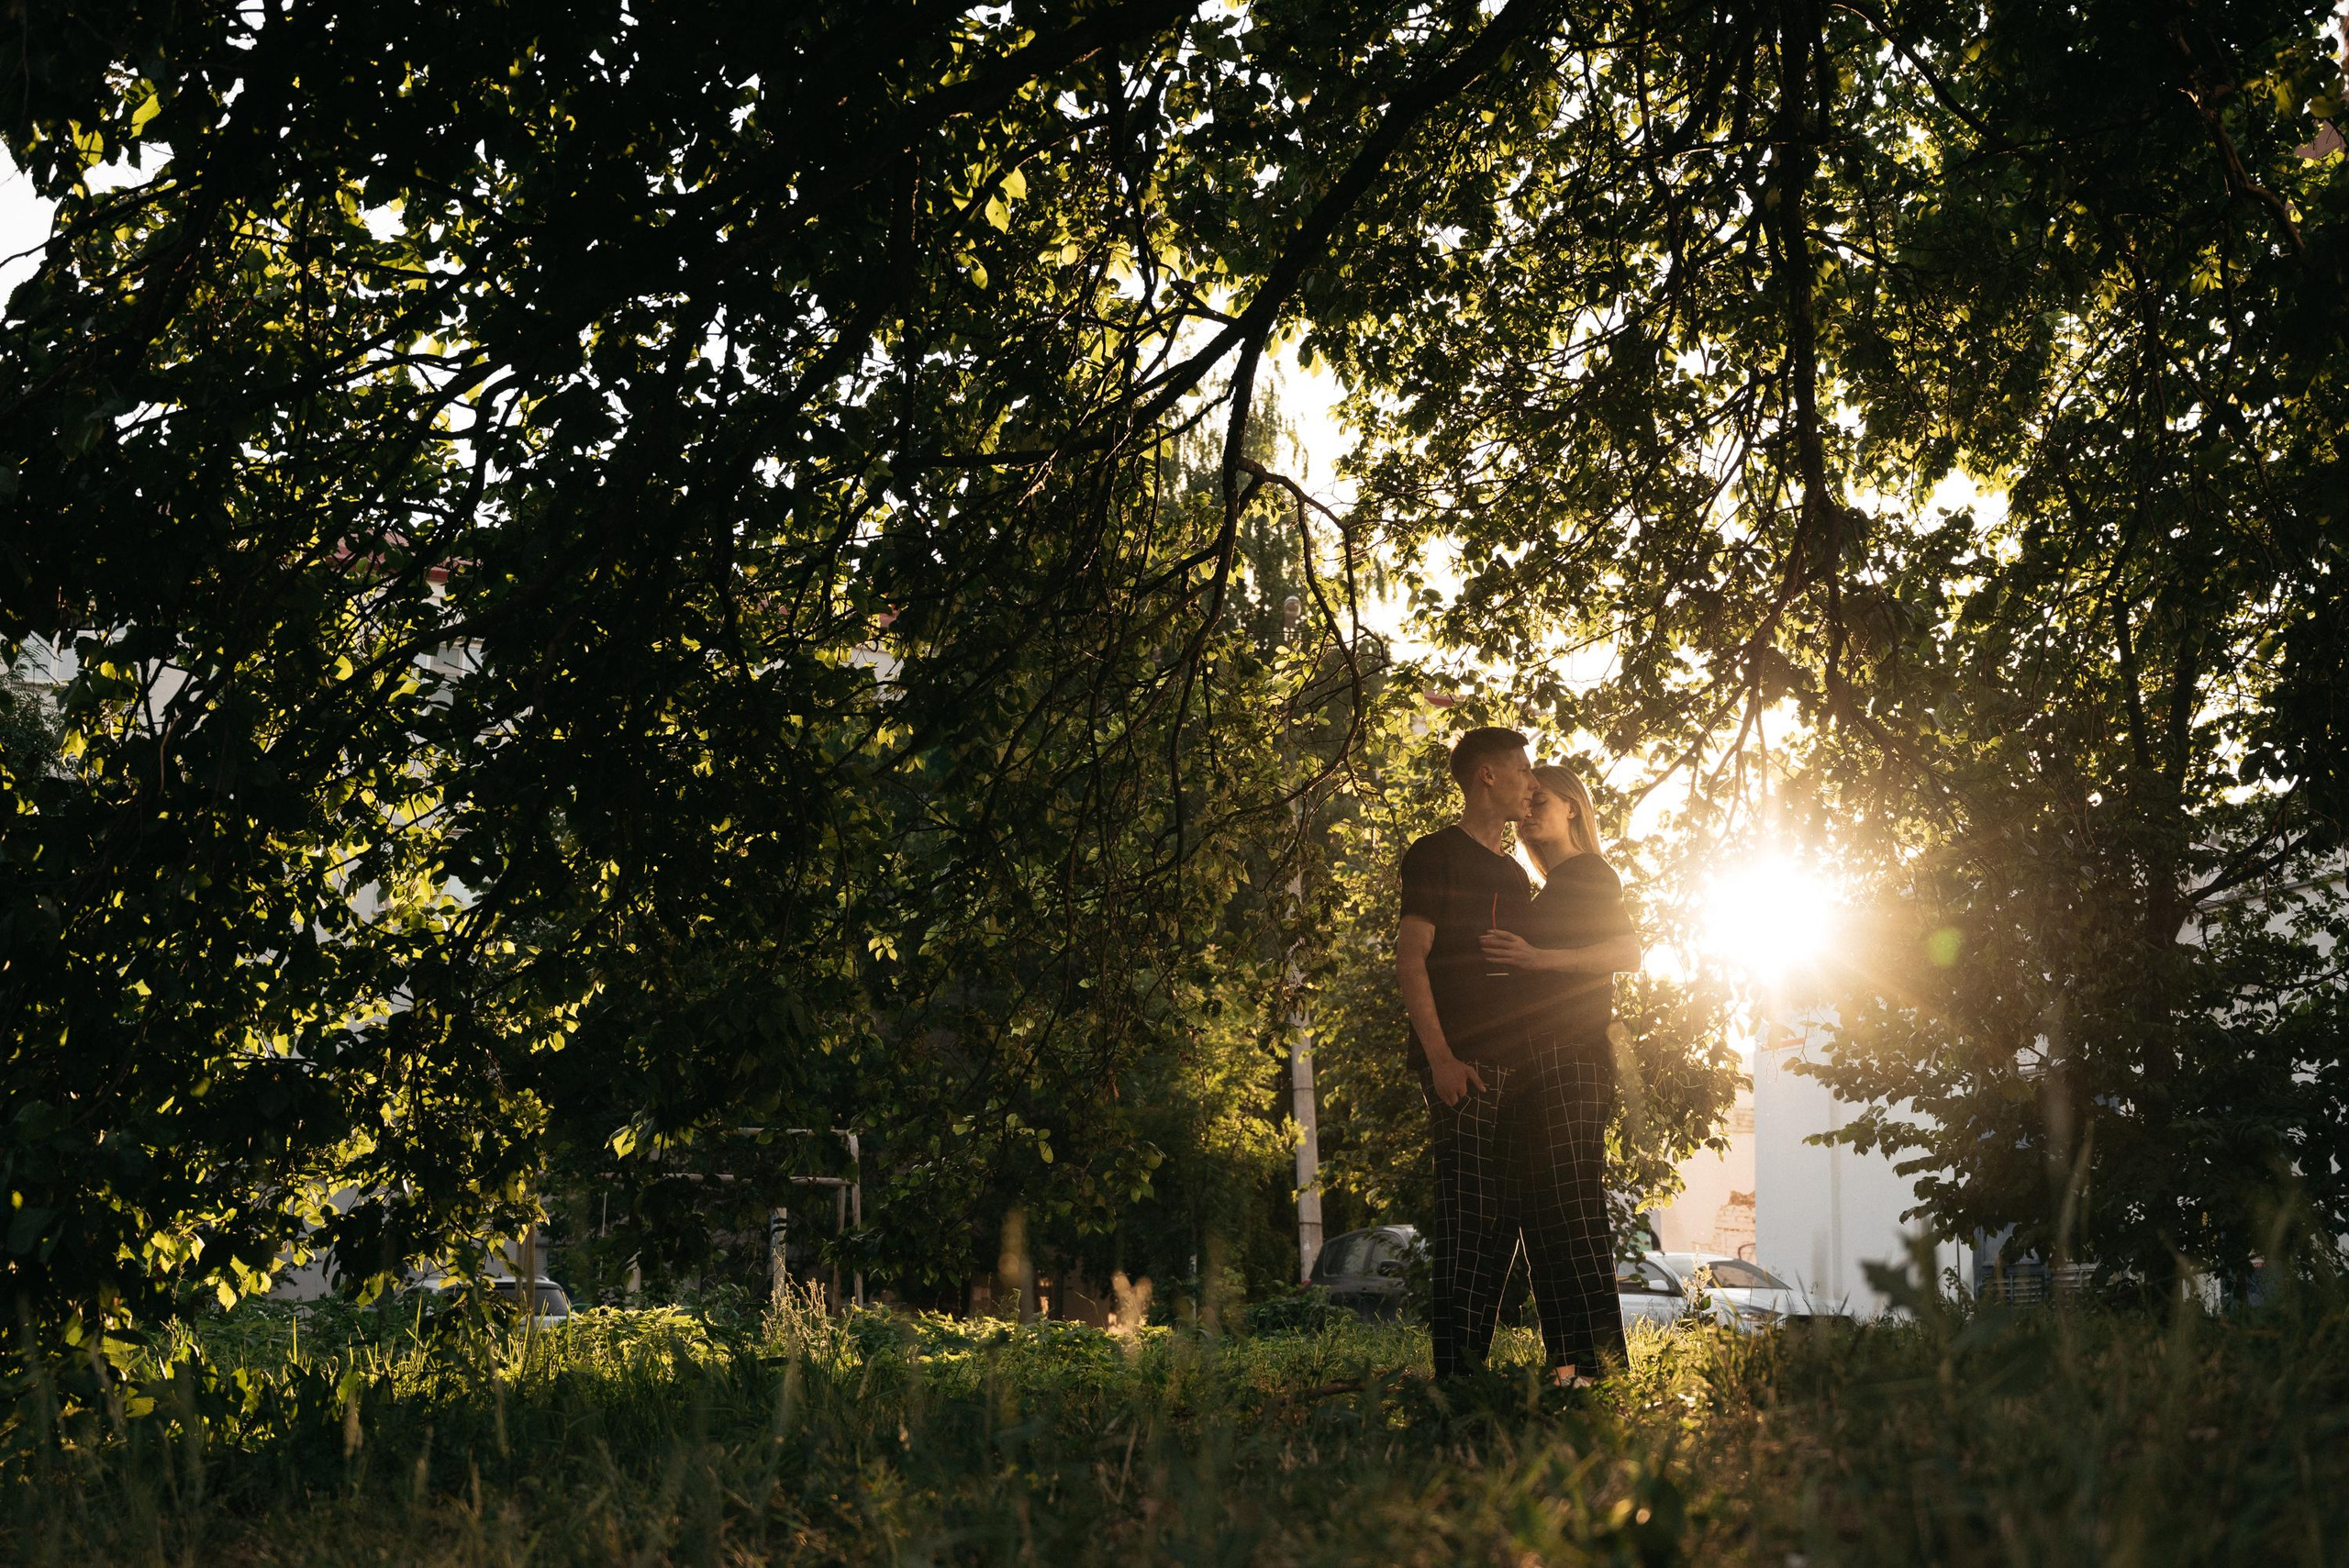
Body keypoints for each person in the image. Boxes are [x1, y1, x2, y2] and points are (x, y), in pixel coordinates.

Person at [1475, 762, 1640, 1386]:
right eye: (1527, 801)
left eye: (1542, 799)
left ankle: (1606, 1364)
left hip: (1576, 1060)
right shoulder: (1542, 889)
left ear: (1573, 806)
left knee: (1574, 1208)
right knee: (1543, 1215)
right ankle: (1567, 1363)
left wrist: (1536, 956)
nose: (1530, 808)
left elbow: (1628, 953)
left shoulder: (1591, 873)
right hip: (1532, 1068)